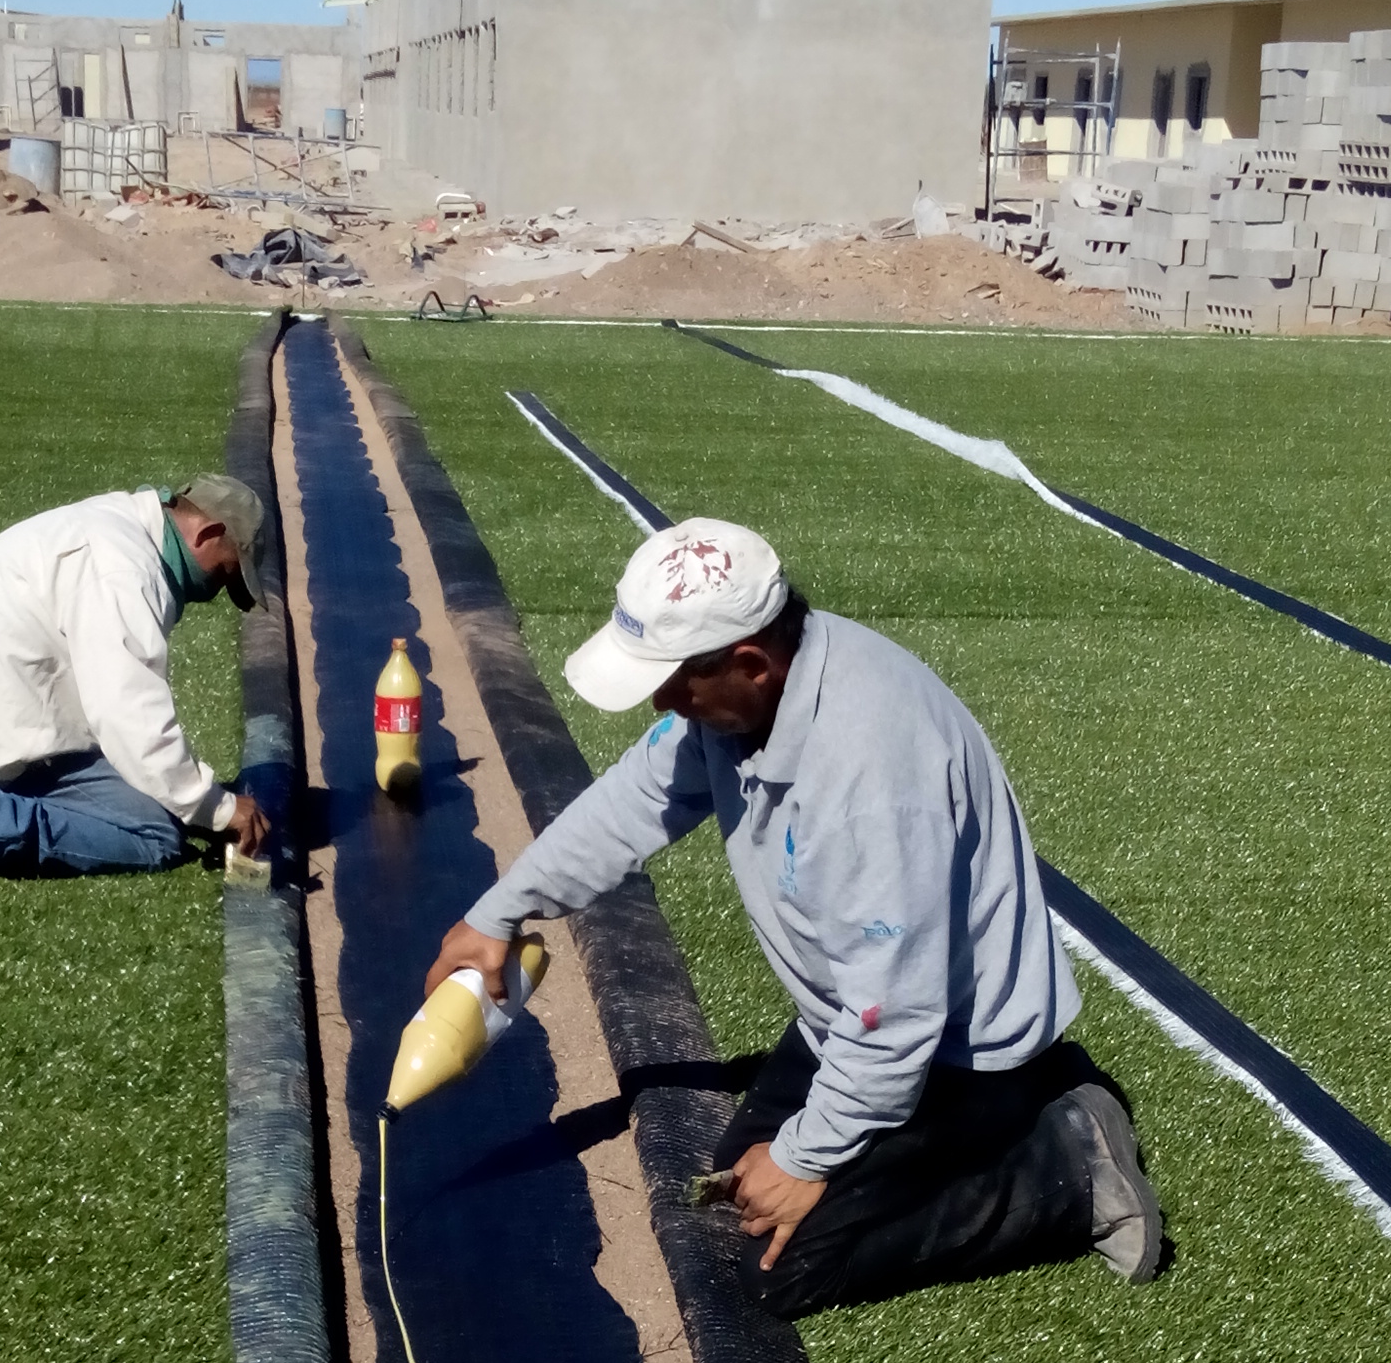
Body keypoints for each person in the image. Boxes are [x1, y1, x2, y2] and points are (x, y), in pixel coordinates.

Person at [426, 515, 1163, 1317]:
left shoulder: (867, 784)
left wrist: (809, 1159)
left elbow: (898, 1019)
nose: (662, 702)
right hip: (854, 1014)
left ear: (750, 662)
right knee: (737, 1184)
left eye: (673, 681)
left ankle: (1071, 1164)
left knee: (784, 1270)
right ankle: (998, 1119)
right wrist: (501, 912)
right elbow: (637, 799)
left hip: (955, 1048)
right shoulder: (755, 692)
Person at [0, 473, 273, 882]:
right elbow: (127, 713)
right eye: (225, 573)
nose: (217, 590)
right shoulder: (124, 569)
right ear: (208, 533)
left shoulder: (120, 526)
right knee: (157, 836)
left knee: (166, 800)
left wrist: (196, 802)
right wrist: (216, 808)